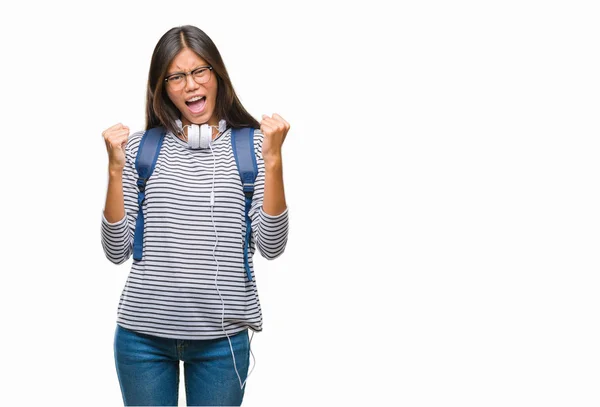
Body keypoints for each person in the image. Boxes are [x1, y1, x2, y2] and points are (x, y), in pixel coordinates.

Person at [100, 25, 290, 406]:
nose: (190, 85)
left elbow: (271, 246)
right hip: (142, 339)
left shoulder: (252, 146)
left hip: (222, 343)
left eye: (199, 71)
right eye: (176, 76)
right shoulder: (141, 148)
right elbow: (116, 249)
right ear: (162, 87)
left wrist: (273, 161)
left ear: (217, 75)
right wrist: (116, 170)